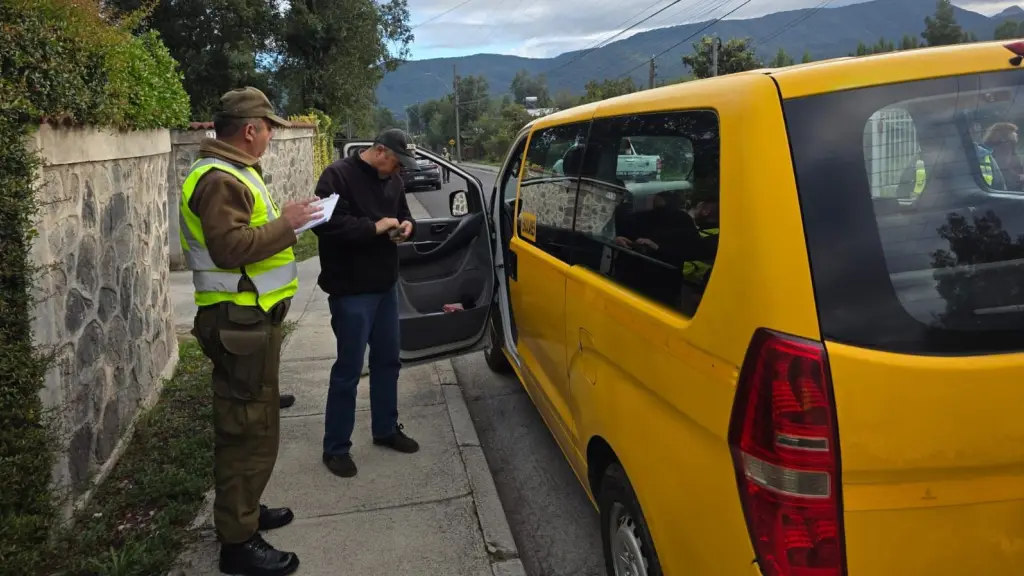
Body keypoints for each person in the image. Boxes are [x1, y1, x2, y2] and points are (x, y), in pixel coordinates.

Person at [181, 87, 322, 576]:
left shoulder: (233, 172)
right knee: (247, 430)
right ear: (249, 130)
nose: (269, 137)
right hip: (237, 325)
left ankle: (246, 509)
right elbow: (230, 248)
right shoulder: (220, 178)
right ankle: (238, 542)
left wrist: (291, 222)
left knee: (254, 422)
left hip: (249, 322)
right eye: (267, 129)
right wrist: (287, 223)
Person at [312, 128, 422, 479]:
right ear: (378, 151)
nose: (398, 171)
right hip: (351, 290)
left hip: (385, 285)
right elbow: (325, 225)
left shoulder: (395, 182)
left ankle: (386, 428)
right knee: (349, 369)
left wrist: (407, 226)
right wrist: (374, 227)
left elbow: (405, 214)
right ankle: (336, 448)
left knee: (388, 361)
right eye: (396, 163)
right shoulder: (336, 176)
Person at [983, 122, 1024, 191]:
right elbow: (1002, 170)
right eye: (1013, 132)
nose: (1016, 134)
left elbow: (1018, 166)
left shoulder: (1010, 147)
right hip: (1007, 189)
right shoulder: (1002, 148)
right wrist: (1019, 177)